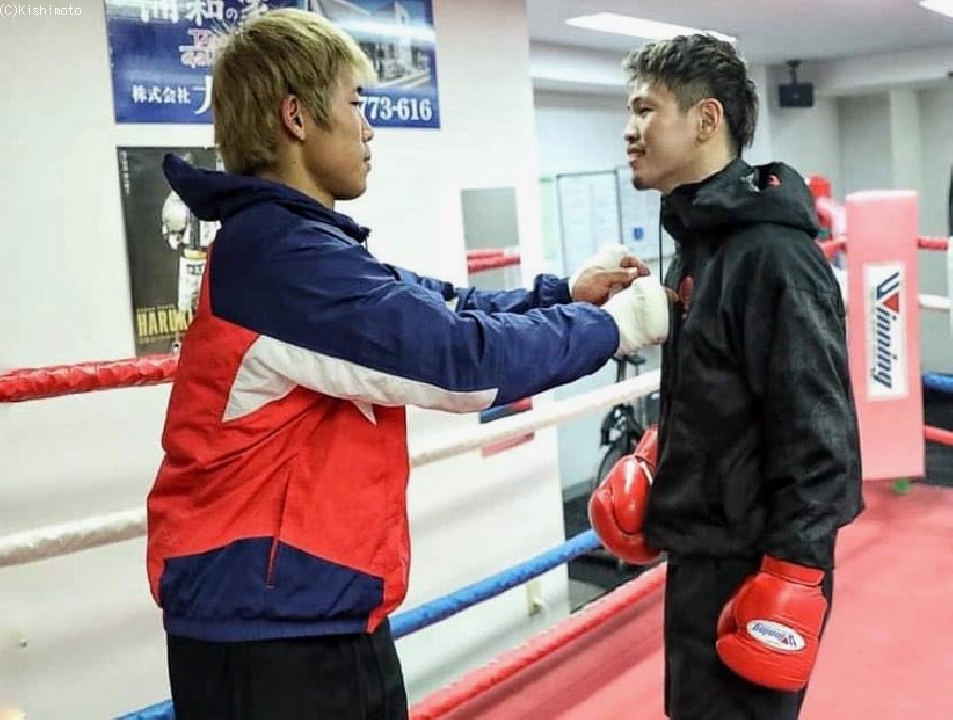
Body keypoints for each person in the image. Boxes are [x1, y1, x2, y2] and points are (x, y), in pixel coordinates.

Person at [144, 9, 671, 720]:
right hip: (267, 637)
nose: (368, 129)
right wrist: (616, 326)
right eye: (355, 104)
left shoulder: (301, 244)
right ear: (297, 118)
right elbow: (459, 362)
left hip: (313, 611)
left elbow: (444, 306)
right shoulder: (279, 258)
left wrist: (566, 295)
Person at [588, 33, 864, 720]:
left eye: (645, 110)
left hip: (752, 569)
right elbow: (724, 391)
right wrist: (666, 459)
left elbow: (821, 435)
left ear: (706, 120)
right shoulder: (700, 248)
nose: (629, 130)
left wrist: (795, 575)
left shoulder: (774, 257)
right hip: (702, 556)